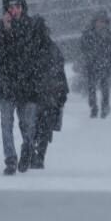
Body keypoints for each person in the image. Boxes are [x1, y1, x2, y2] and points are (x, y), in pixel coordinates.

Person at [0, 0, 51, 175]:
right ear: (5, 9)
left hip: (28, 83)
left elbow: (38, 51)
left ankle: (27, 148)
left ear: (22, 6)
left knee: (27, 123)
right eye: (10, 7)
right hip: (7, 83)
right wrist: (5, 31)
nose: (14, 10)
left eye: (17, 6)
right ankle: (10, 158)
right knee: (6, 123)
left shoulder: (33, 26)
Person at [31, 17, 69, 170]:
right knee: (44, 128)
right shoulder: (52, 47)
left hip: (33, 94)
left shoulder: (28, 46)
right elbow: (59, 71)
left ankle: (32, 152)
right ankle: (40, 155)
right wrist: (62, 93)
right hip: (50, 95)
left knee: (30, 126)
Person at [79, 11, 111, 118]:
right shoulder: (88, 33)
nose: (101, 24)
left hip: (105, 65)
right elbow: (83, 47)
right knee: (92, 89)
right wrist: (90, 56)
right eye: (99, 21)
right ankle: (94, 108)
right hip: (92, 65)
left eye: (103, 22)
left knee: (105, 88)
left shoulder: (108, 34)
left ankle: (105, 107)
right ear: (95, 22)